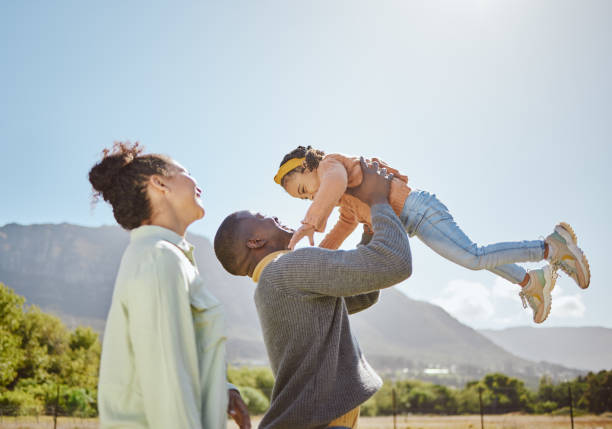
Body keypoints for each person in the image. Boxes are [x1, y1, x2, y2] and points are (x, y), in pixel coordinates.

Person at [272, 146, 591, 324]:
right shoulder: (345, 204)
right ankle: (530, 281)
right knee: (470, 255)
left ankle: (550, 248)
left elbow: (334, 182)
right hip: (412, 222)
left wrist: (311, 222)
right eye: (303, 199)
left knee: (474, 256)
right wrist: (310, 260)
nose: (309, 198)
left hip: (419, 209)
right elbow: (342, 229)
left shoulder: (331, 165)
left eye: (303, 189)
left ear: (309, 165)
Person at [214, 158, 412, 429]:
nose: (273, 216)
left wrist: (368, 224)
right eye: (263, 218)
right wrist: (377, 199)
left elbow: (364, 294)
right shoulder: (287, 268)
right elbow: (394, 263)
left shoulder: (272, 283)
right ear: (255, 241)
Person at [89, 142, 250, 429]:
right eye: (185, 172)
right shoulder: (159, 258)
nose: (196, 181)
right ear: (160, 183)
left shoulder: (168, 257)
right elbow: (168, 382)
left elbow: (180, 353)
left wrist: (221, 388)